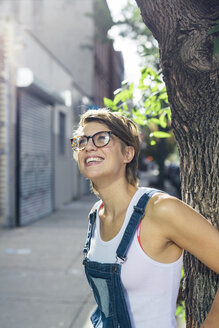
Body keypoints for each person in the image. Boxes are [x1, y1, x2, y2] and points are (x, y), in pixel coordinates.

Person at [70, 108, 219, 328]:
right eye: (81, 141)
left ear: (127, 154)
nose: (89, 146)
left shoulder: (160, 210)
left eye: (102, 138)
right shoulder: (96, 214)